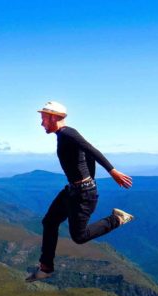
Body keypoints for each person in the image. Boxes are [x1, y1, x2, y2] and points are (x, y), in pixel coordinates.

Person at [26, 101, 134, 282]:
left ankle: (117, 219)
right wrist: (89, 178)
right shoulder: (63, 136)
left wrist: (112, 171)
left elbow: (91, 149)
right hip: (72, 191)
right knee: (49, 222)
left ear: (53, 117)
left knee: (79, 237)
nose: (42, 122)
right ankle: (45, 267)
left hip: (83, 194)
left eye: (44, 118)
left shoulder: (68, 133)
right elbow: (87, 154)